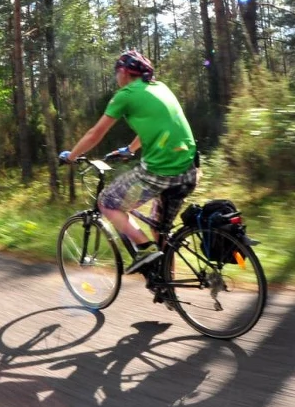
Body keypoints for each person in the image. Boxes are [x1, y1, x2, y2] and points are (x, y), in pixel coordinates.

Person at [59, 50, 198, 274]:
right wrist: (130, 149)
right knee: (159, 227)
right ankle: (167, 284)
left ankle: (144, 248)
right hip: (189, 169)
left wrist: (71, 156)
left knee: (107, 203)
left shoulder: (125, 95)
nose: (116, 77)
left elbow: (95, 134)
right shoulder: (160, 87)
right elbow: (156, 128)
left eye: (116, 72)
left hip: (160, 171)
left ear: (123, 71)